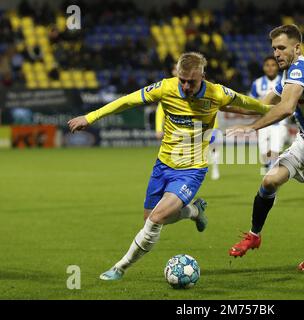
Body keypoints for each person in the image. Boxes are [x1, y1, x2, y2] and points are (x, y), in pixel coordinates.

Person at [68, 52, 271, 280]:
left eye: (191, 82)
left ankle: (120, 268)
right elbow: (126, 101)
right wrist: (90, 117)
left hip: (192, 170)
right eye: (182, 80)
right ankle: (193, 211)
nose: (185, 86)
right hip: (163, 165)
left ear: (203, 76)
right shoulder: (165, 88)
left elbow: (247, 103)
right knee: (149, 219)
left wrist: (280, 109)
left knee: (155, 220)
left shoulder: (216, 93)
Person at [227, 24, 304, 271]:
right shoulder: (289, 74)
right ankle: (254, 236)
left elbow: (286, 108)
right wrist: (220, 104)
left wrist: (251, 128)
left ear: (297, 48)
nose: (276, 53)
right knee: (269, 181)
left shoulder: (301, 68)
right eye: (274, 48)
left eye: (282, 48)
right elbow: (260, 104)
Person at [154, 63, 221, 180]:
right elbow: (160, 110)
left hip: (205, 126)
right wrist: (159, 128)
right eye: (175, 69)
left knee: (212, 147)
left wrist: (213, 126)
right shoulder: (168, 88)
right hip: (182, 130)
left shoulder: (199, 86)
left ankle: (214, 168)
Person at [249, 56, 287, 175]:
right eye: (267, 65)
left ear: (277, 67)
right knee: (264, 153)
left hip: (279, 121)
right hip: (263, 122)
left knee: (275, 149)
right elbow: (251, 101)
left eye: (273, 65)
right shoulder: (257, 83)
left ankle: (272, 176)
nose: (270, 68)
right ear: (264, 67)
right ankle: (268, 167)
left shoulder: (285, 81)